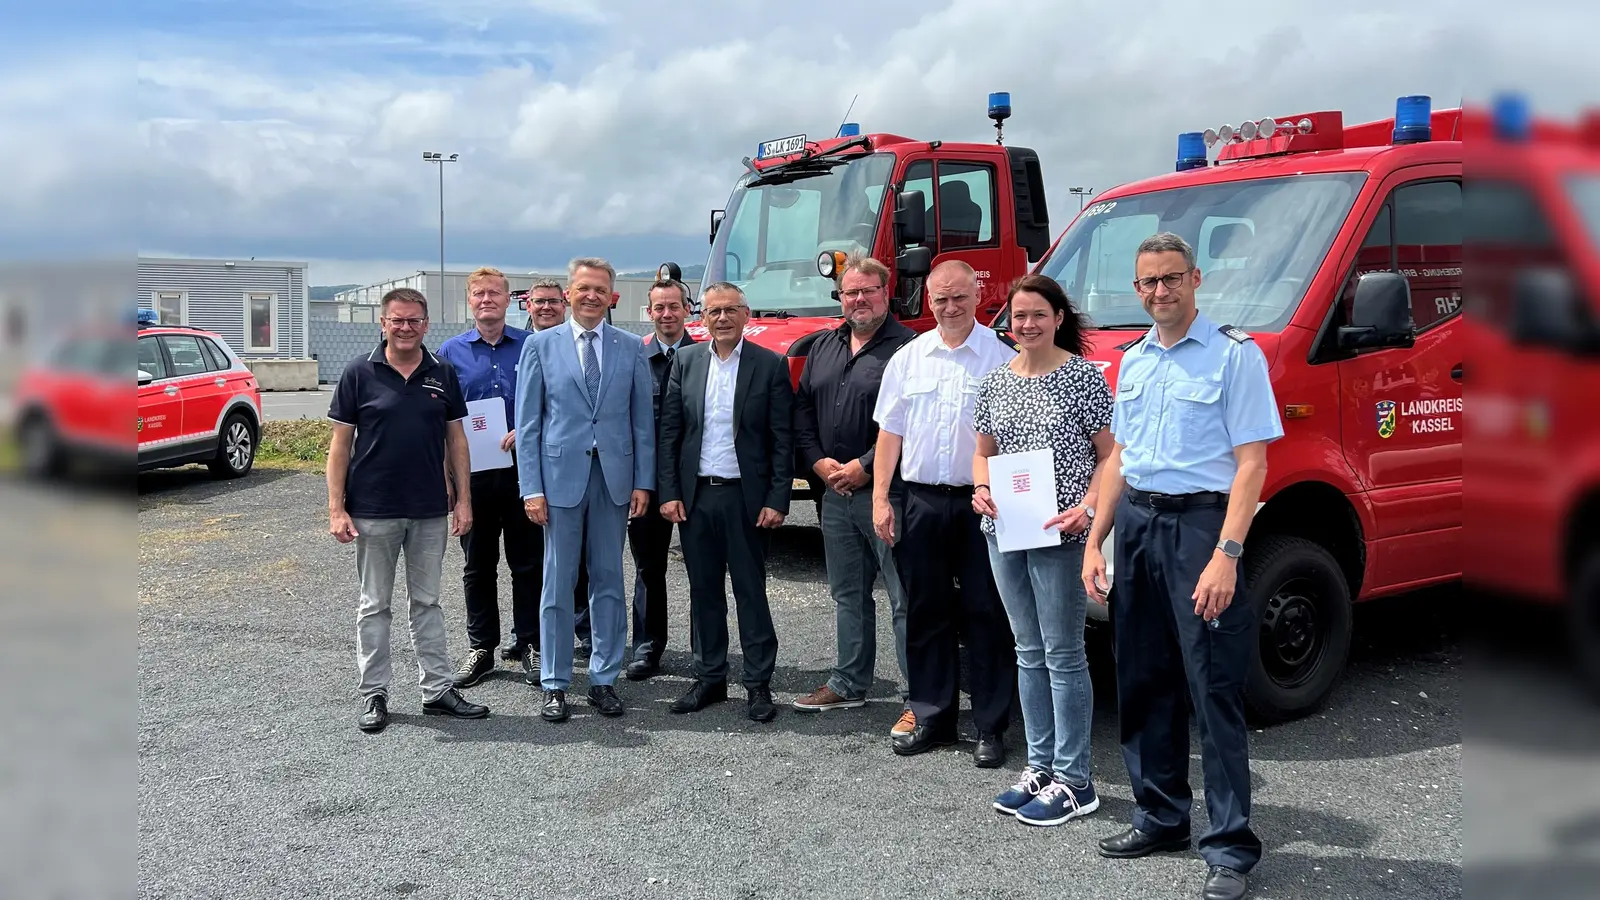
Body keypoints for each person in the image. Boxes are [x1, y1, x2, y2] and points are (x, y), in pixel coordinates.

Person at [1080, 233, 1282, 900]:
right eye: (1148, 283)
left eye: (1171, 279)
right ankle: (1160, 817)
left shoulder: (1235, 358)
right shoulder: (1132, 361)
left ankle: (1229, 848)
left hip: (1202, 528)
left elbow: (1252, 464)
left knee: (1213, 689)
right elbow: (1120, 460)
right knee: (1141, 679)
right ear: (1136, 290)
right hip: (1137, 523)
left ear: (1196, 279)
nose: (1160, 292)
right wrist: (1094, 540)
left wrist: (1227, 555)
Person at [971, 274, 1113, 826]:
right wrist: (980, 488)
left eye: (1037, 315)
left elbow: (1109, 456)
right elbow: (982, 453)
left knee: (1063, 653)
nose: (1025, 325)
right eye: (1017, 315)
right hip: (1006, 532)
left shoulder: (1082, 378)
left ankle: (1076, 780)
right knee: (1027, 650)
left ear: (1058, 318)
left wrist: (1090, 508)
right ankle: (1041, 766)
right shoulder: (994, 382)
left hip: (1063, 532)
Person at [870, 259, 1017, 767]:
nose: (950, 308)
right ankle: (932, 715)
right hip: (922, 501)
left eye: (959, 298)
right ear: (926, 302)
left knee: (986, 613)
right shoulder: (908, 359)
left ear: (978, 295)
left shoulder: (1002, 358)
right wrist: (880, 497)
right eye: (940, 300)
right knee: (926, 611)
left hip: (983, 503)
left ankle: (991, 726)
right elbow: (890, 434)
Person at [326, 287, 489, 733]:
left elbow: (457, 440)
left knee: (429, 603)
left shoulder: (443, 372)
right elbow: (340, 446)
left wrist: (464, 499)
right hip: (373, 510)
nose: (405, 327)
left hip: (429, 509)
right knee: (374, 605)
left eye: (414, 320)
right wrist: (336, 508)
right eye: (397, 320)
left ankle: (437, 690)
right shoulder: (359, 372)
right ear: (383, 323)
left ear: (426, 323)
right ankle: (374, 694)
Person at [515, 257, 654, 723]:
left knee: (608, 581)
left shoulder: (631, 346)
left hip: (614, 480)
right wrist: (530, 487)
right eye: (584, 288)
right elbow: (529, 423)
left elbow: (642, 424)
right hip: (558, 482)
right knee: (556, 582)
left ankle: (603, 678)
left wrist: (643, 482)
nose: (592, 296)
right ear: (570, 294)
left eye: (601, 289)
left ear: (612, 297)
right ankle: (554, 682)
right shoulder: (539, 346)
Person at [657, 282, 793, 723]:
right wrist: (670, 492)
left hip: (745, 499)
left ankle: (758, 683)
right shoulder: (687, 360)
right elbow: (671, 433)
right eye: (713, 311)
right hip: (696, 498)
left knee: (750, 592)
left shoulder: (769, 365)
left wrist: (778, 498)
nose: (721, 319)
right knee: (704, 592)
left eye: (730, 310)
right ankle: (710, 677)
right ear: (703, 317)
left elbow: (780, 439)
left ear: (746, 313)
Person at [791, 253, 915, 715]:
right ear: (840, 297)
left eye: (868, 290)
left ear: (887, 294)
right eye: (850, 292)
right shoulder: (823, 344)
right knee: (847, 592)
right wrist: (819, 464)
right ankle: (849, 682)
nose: (859, 299)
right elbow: (802, 409)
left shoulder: (909, 348)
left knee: (903, 596)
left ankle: (915, 694)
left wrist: (864, 466)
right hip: (834, 493)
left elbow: (910, 422)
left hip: (887, 493)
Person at [435, 268, 545, 690]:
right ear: (470, 301)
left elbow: (550, 401)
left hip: (524, 472)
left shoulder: (531, 346)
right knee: (477, 566)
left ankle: (530, 644)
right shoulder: (450, 352)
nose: (487, 300)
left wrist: (529, 428)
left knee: (527, 563)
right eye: (479, 294)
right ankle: (481, 647)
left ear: (508, 300)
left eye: (494, 293)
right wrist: (448, 476)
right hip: (474, 477)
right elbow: (443, 416)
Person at [624, 277, 697, 681]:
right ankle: (647, 648)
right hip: (648, 486)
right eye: (659, 308)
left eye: (674, 306)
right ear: (649, 313)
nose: (666, 314)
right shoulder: (635, 358)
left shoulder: (705, 356)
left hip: (694, 483)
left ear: (687, 309)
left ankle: (706, 652)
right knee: (649, 569)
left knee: (703, 570)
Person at [521, 276, 594, 661]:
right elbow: (530, 415)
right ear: (527, 305)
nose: (546, 307)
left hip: (588, 476)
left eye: (553, 300)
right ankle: (531, 640)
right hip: (535, 476)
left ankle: (584, 635)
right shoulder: (531, 346)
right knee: (538, 567)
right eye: (539, 301)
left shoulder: (603, 345)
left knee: (583, 568)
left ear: (563, 302)